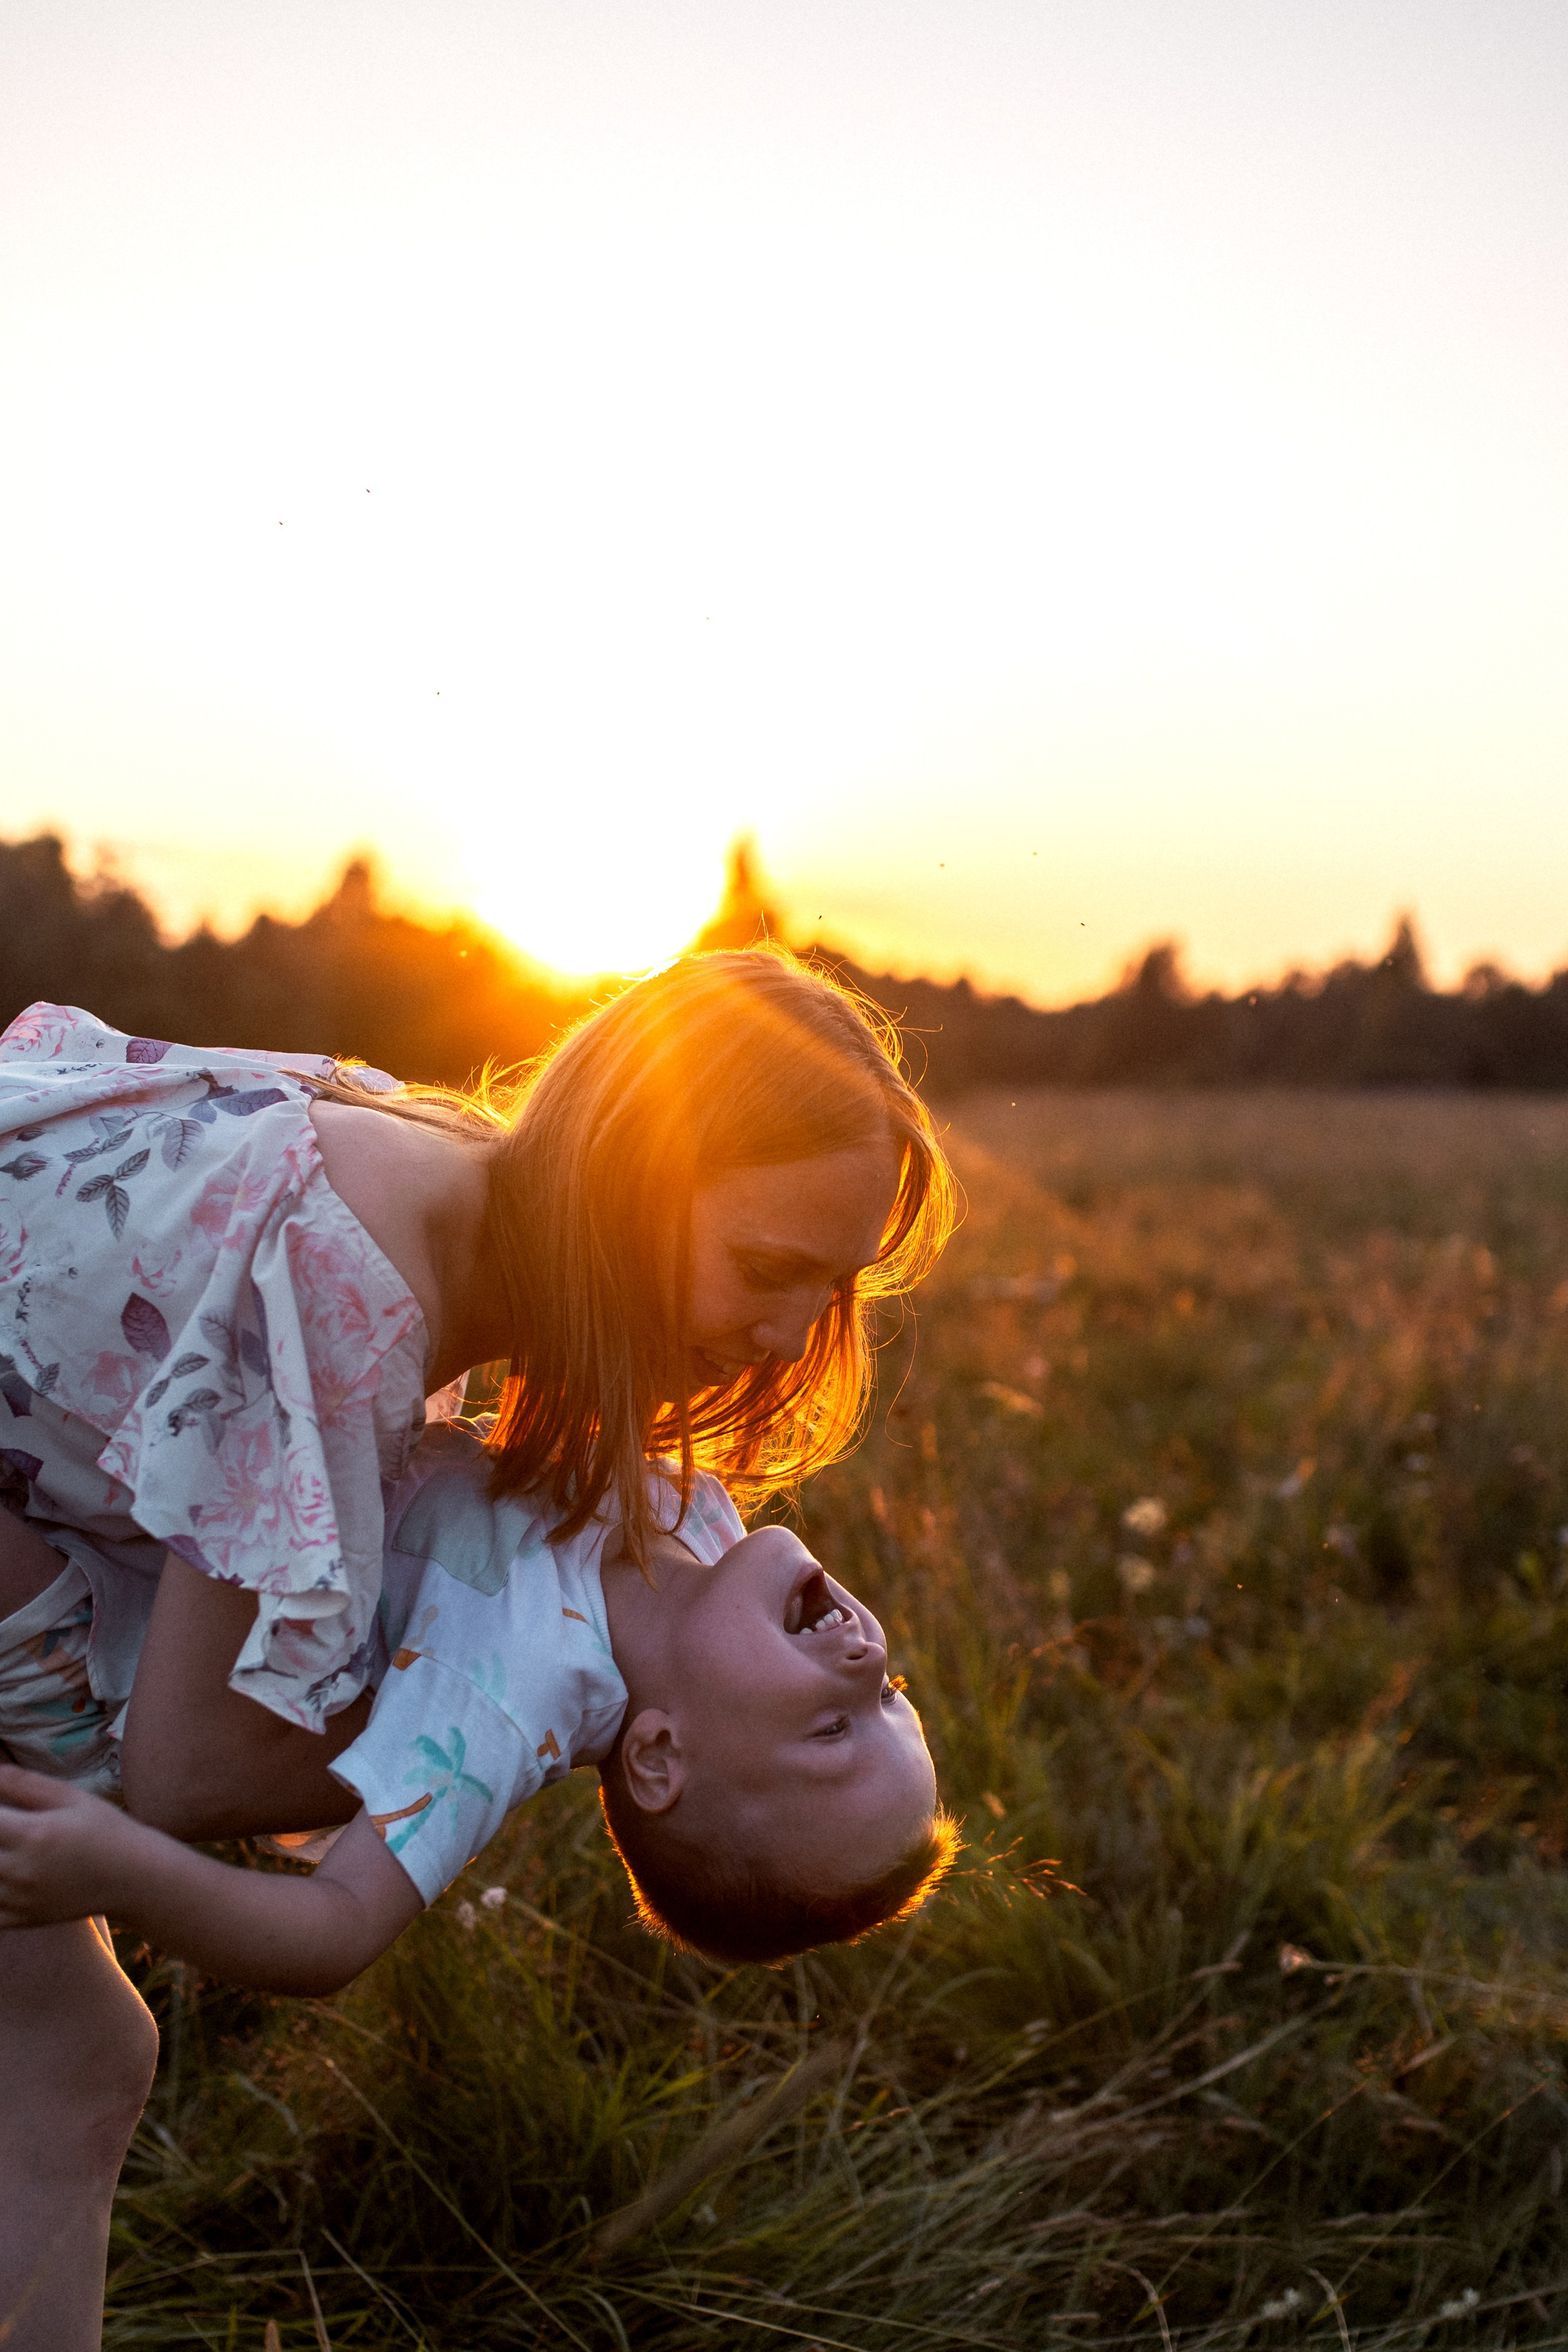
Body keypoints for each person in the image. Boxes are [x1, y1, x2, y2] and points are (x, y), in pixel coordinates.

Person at [0, 1420, 956, 2352]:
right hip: (165, 1497)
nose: (865, 1658)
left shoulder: (520, 1687)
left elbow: (335, 1931)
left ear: (662, 1756)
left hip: (100, 1652)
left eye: (832, 1728)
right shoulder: (696, 1525)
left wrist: (122, 1872)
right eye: (891, 1696)